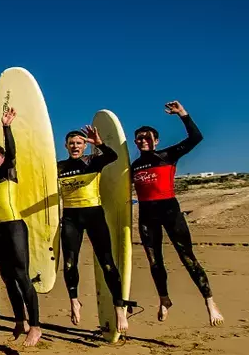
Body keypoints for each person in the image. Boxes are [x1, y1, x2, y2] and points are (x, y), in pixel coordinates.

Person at [132, 101, 223, 326]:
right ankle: (164, 299)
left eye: (148, 137)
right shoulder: (134, 165)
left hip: (170, 211)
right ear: (135, 142)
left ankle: (210, 302)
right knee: (155, 261)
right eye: (139, 138)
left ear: (156, 140)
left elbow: (195, 138)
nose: (143, 140)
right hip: (146, 215)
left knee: (187, 257)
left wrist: (183, 114)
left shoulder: (167, 155)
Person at [57, 126, 130, 333]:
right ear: (66, 145)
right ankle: (74, 301)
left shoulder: (92, 161)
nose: (75, 146)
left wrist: (98, 144)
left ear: (84, 145)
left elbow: (113, 156)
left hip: (94, 216)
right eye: (71, 143)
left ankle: (119, 309)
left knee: (107, 263)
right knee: (70, 263)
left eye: (79, 143)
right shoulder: (59, 167)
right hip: (71, 218)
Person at [0, 107, 42, 347]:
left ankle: (36, 326)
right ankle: (20, 321)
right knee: (8, 278)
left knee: (21, 276)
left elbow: (12, 151)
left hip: (14, 227)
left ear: (2, 158)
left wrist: (6, 126)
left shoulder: (9, 170)